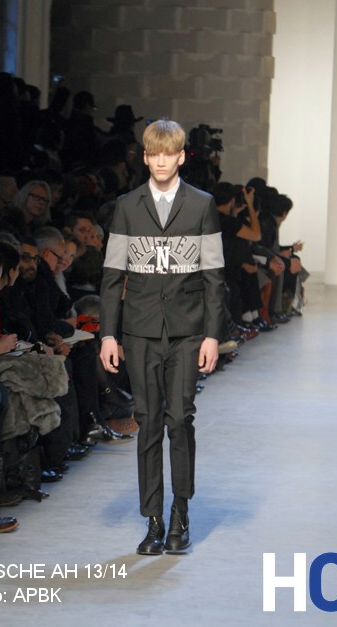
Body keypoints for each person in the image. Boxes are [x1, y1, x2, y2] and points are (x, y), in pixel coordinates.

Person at [99, 119, 226, 555]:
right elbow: (112, 275)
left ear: (181, 156)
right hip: (139, 331)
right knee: (149, 421)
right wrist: (108, 334)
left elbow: (214, 276)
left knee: (180, 420)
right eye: (153, 154)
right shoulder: (126, 206)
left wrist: (213, 336)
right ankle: (153, 520)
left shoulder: (202, 205)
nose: (160, 161)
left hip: (188, 331)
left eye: (168, 154)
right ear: (145, 157)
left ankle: (181, 512)